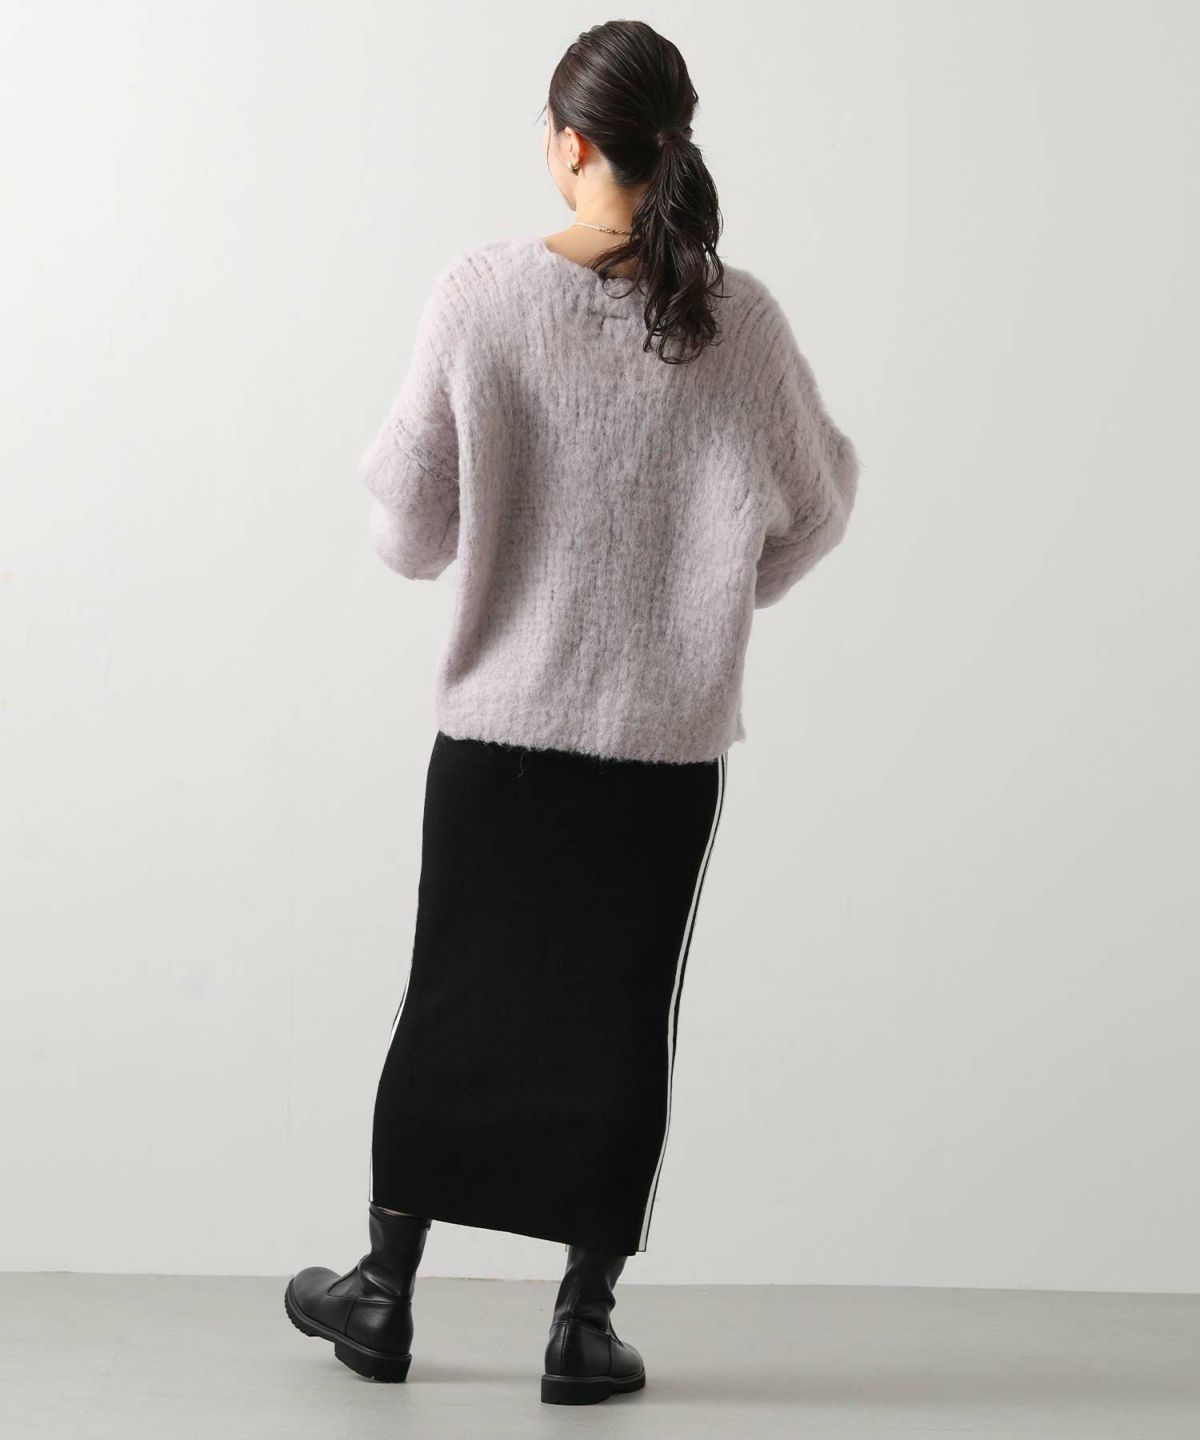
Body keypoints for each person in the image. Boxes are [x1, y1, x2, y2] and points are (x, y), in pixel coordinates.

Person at [284, 18, 859, 1407]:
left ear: (572, 144)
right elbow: (818, 506)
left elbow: (406, 530)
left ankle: (384, 1295)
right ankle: (580, 1324)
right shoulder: (739, 321)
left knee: (450, 1002)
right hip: (662, 750)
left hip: (499, 731)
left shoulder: (481, 296)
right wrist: (707, 595)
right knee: (620, 1018)